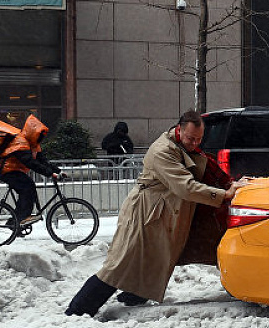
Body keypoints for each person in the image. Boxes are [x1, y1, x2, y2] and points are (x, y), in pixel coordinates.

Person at [66, 110, 247, 316]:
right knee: (117, 267)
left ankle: (132, 298)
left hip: (158, 214)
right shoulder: (162, 150)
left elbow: (204, 169)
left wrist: (229, 183)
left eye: (199, 139)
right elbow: (185, 187)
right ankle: (77, 311)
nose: (195, 143)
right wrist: (224, 193)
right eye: (191, 138)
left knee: (152, 261)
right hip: (143, 215)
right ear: (179, 130)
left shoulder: (182, 146)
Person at [0, 114, 61, 227]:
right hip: (6, 170)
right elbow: (30, 162)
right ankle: (23, 217)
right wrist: (49, 173)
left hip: (14, 170)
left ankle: (15, 222)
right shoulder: (20, 142)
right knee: (27, 187)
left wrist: (58, 171)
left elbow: (42, 161)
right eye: (39, 136)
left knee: (28, 187)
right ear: (33, 133)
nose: (40, 139)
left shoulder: (33, 145)